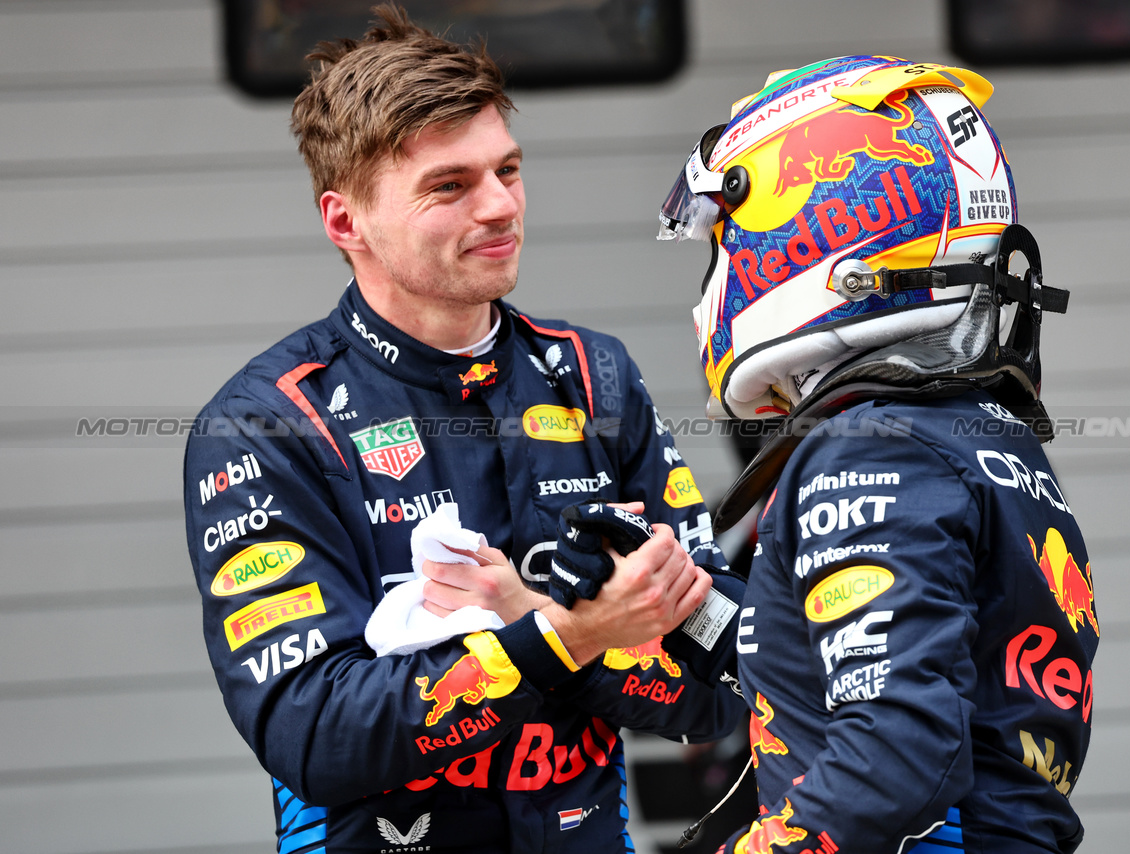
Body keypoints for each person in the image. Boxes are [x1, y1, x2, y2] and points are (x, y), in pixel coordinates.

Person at [183, 6, 741, 853]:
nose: (500, 207)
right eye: (450, 185)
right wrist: (575, 631)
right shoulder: (266, 423)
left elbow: (727, 682)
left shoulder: (595, 377)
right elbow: (316, 736)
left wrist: (533, 621)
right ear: (346, 222)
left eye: (508, 171)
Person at [655, 56, 1098, 852]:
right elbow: (843, 676)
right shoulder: (974, 428)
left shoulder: (869, 450)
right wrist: (685, 609)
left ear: (804, 223)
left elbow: (896, 757)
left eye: (721, 239)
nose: (715, 274)